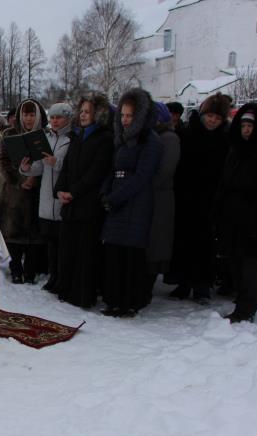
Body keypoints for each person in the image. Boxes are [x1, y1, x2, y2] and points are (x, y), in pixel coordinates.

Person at [100, 88, 163, 317]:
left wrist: (115, 197)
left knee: (130, 255)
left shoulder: (151, 142)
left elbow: (142, 176)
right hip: (117, 202)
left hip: (136, 203)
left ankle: (129, 301)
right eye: (123, 116)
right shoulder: (121, 140)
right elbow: (112, 169)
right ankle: (113, 299)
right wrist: (105, 192)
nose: (126, 120)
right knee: (114, 254)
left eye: (130, 116)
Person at [169, 92, 231, 303]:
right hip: (187, 196)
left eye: (217, 118)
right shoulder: (189, 133)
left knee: (204, 245)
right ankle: (183, 282)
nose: (212, 121)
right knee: (184, 241)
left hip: (210, 199)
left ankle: (202, 286)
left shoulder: (224, 139)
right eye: (210, 116)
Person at [54, 94, 115, 308]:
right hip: (70, 205)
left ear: (98, 114)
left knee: (85, 253)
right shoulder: (77, 136)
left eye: (87, 112)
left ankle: (82, 295)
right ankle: (65, 289)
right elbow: (67, 167)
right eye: (81, 111)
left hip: (88, 205)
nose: (83, 115)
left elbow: (96, 171)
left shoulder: (104, 138)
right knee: (68, 250)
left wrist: (74, 192)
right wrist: (60, 189)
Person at [213, 103, 257, 322]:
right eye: (243, 125)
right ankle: (242, 299)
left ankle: (247, 308)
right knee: (236, 261)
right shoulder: (236, 150)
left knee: (251, 265)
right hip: (233, 216)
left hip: (254, 218)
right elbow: (224, 182)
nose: (246, 130)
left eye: (250, 126)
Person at [20, 102, 72, 292]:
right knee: (50, 241)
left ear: (67, 119)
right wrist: (26, 168)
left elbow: (70, 167)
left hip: (61, 196)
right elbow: (40, 166)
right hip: (46, 198)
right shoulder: (47, 138)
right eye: (52, 117)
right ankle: (53, 277)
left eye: (59, 117)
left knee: (62, 243)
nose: (55, 121)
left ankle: (62, 278)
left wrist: (55, 162)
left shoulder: (71, 139)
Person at [0, 99, 48, 284]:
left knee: (34, 235)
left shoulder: (45, 134)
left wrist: (35, 179)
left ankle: (30, 271)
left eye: (32, 114)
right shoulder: (9, 134)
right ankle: (15, 269)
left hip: (38, 192)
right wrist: (19, 180)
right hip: (15, 194)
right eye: (25, 114)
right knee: (13, 234)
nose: (28, 118)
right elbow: (3, 161)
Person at [143, 103, 181, 303]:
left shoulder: (169, 138)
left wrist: (141, 182)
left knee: (155, 244)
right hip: (146, 196)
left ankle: (147, 287)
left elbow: (164, 171)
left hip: (160, 198)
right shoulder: (149, 137)